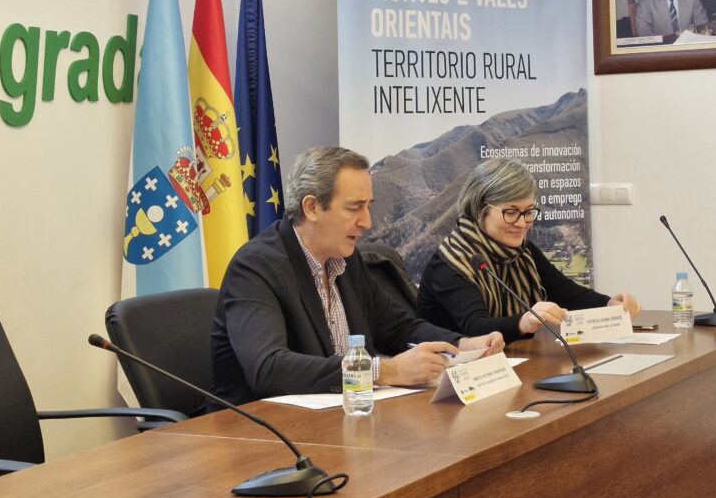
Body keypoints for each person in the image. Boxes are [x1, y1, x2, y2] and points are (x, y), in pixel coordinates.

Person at [209, 146, 504, 405]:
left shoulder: (346, 259)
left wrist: (463, 345)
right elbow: (269, 369)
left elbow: (397, 328)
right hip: (261, 437)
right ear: (311, 207)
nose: (367, 222)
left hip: (343, 417)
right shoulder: (256, 267)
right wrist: (385, 371)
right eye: (354, 208)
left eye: (368, 206)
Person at [416, 158, 642, 344]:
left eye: (528, 212)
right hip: (454, 375)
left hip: (512, 361)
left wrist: (610, 305)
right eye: (511, 212)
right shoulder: (452, 262)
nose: (522, 223)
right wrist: (523, 322)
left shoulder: (522, 250)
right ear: (479, 209)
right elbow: (475, 327)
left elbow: (566, 294)